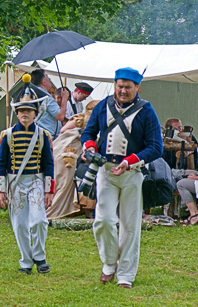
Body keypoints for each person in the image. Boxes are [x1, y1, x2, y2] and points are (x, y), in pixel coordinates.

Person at [81, 67, 163, 288]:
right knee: (103, 220)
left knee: (130, 225)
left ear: (137, 88)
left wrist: (130, 161)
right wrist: (88, 148)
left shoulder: (146, 111)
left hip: (132, 174)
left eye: (128, 87)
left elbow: (156, 147)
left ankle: (125, 274)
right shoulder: (103, 106)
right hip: (106, 171)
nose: (123, 90)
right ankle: (109, 263)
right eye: (120, 86)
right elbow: (88, 133)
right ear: (115, 85)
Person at [0, 74, 55, 275]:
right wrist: (0, 192)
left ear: (35, 113)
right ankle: (25, 261)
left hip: (36, 182)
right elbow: (0, 164)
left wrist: (49, 190)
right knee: (20, 225)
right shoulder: (8, 135)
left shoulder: (43, 135)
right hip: (16, 183)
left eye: (28, 110)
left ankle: (39, 255)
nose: (24, 114)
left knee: (39, 221)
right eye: (21, 110)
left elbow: (48, 163)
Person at [30, 69, 69, 140]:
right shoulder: (46, 97)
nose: (50, 79)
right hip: (47, 137)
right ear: (43, 82)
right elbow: (60, 116)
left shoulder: (34, 94)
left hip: (39, 135)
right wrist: (65, 98)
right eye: (47, 77)